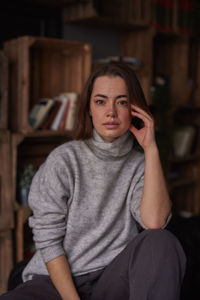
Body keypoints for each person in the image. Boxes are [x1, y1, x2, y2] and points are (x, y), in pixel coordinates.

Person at [1, 61, 186, 300]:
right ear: (89, 108)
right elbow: (48, 242)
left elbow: (155, 222)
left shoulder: (141, 163)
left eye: (122, 102)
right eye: (100, 101)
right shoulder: (64, 160)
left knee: (162, 241)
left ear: (135, 108)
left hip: (112, 277)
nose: (111, 112)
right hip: (57, 281)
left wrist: (151, 149)